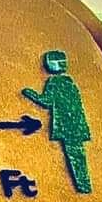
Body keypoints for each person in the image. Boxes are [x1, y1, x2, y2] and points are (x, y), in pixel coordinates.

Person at [22, 50, 92, 194]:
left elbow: (46, 101)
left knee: (73, 154)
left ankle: (82, 184)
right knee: (78, 154)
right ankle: (84, 183)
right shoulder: (69, 81)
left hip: (67, 125)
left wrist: (31, 94)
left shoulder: (55, 82)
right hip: (76, 124)